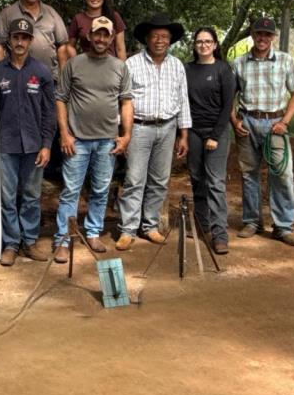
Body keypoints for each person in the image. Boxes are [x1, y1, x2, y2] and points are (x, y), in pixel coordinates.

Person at [54, 16, 133, 263]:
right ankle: (63, 240)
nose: (100, 39)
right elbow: (60, 99)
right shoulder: (74, 64)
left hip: (107, 141)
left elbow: (126, 101)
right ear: (89, 36)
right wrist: (65, 133)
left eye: (105, 35)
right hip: (77, 140)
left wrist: (126, 135)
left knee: (100, 190)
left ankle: (93, 232)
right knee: (71, 191)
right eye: (96, 34)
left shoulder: (120, 67)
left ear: (111, 38)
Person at [116, 14, 191, 251]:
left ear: (170, 41)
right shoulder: (132, 64)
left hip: (167, 127)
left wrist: (183, 134)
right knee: (134, 179)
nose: (160, 40)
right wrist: (124, 132)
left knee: (159, 180)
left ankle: (149, 226)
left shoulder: (177, 65)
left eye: (165, 36)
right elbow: (123, 100)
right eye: (156, 36)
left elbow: (183, 100)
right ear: (147, 39)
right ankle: (128, 229)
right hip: (139, 127)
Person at [231, 16, 294, 246]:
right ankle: (252, 221)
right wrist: (234, 121)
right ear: (253, 35)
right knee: (249, 174)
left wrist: (285, 121)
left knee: (281, 174)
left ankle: (283, 226)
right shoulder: (239, 63)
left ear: (272, 37)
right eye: (258, 34)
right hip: (247, 123)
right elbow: (228, 97)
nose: (262, 38)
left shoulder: (285, 61)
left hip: (275, 124)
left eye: (267, 35)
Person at [0, 17, 56, 266]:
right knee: (7, 197)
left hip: (34, 146)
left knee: (31, 196)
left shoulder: (41, 72)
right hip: (5, 145)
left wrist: (46, 144)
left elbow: (49, 112)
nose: (20, 42)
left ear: (31, 41)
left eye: (24, 37)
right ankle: (11, 243)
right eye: (15, 37)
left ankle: (29, 241)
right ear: (9, 41)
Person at [185, 26, 237, 254]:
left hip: (217, 132)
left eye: (208, 41)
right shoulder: (187, 69)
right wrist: (185, 134)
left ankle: (219, 234)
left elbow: (228, 106)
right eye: (199, 42)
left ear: (215, 45)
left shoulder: (223, 70)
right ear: (195, 45)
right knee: (197, 178)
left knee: (215, 182)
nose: (203, 45)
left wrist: (215, 136)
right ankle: (201, 223)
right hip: (193, 131)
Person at [0, 0, 68, 77]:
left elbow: (62, 47)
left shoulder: (51, 13)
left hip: (49, 78)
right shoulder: (7, 14)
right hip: (17, 77)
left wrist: (63, 81)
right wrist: (0, 76)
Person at [58, 0, 128, 71]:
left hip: (110, 69)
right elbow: (69, 47)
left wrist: (122, 73)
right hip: (86, 69)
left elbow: (120, 49)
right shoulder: (78, 19)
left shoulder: (114, 17)